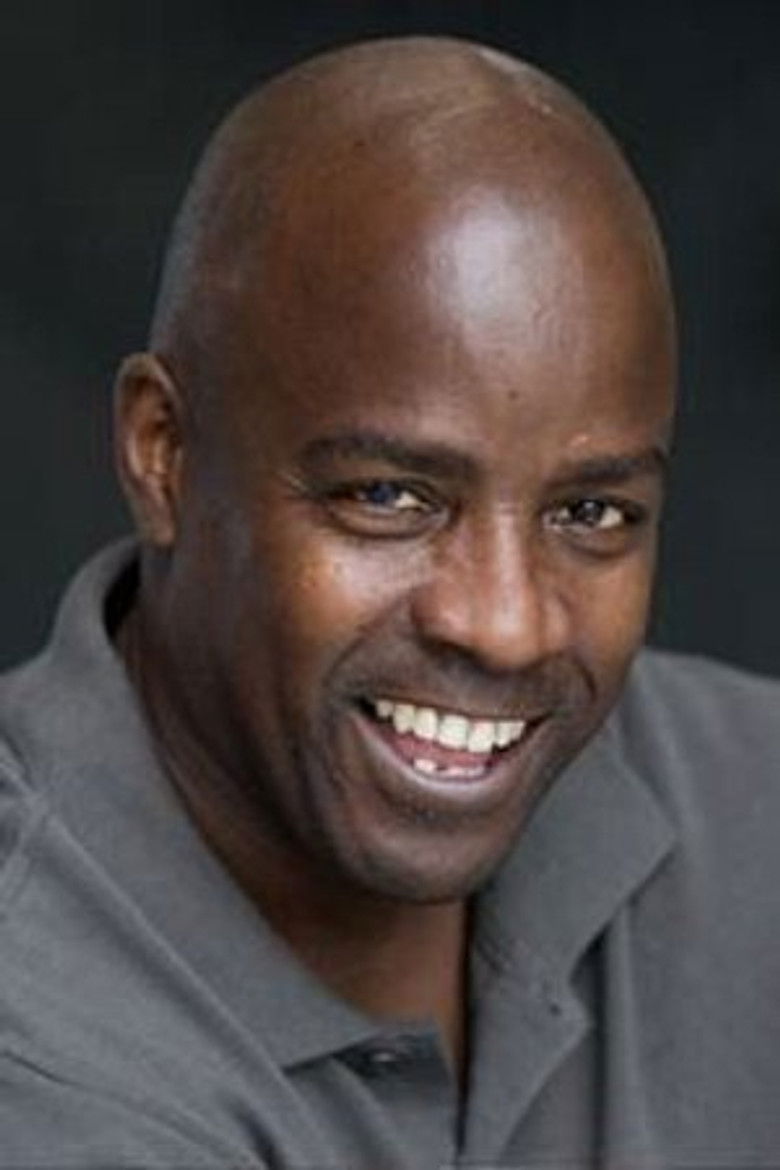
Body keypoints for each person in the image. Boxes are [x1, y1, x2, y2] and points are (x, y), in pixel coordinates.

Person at [1, 34, 779, 1170]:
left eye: (590, 513)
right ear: (164, 453)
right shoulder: (37, 1060)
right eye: (388, 497)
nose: (506, 625)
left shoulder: (748, 801)